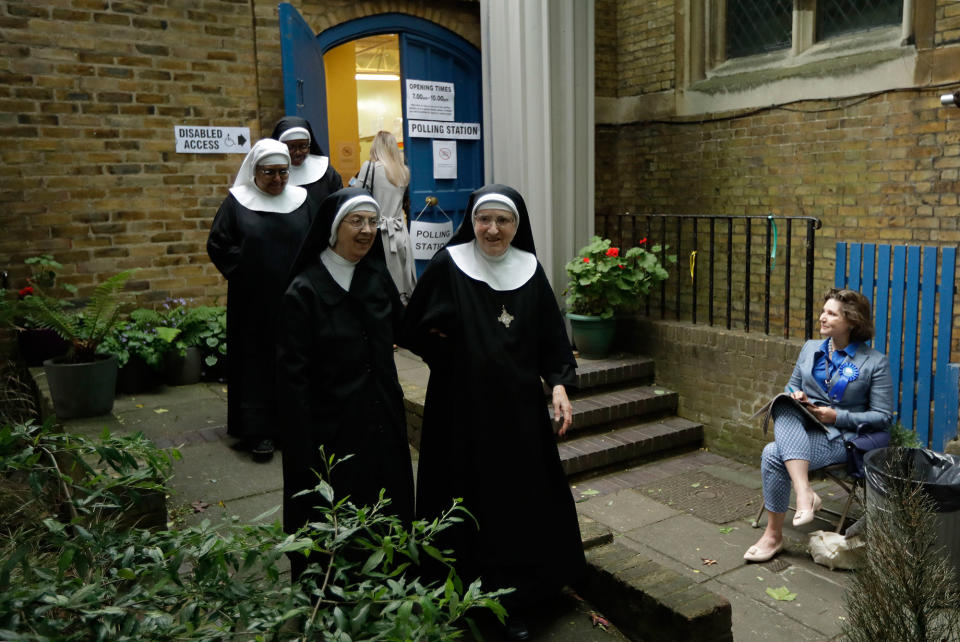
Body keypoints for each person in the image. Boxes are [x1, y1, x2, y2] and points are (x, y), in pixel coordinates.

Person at [399, 184, 584, 641]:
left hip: (519, 413)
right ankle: (459, 594)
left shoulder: (530, 269)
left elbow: (550, 337)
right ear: (472, 222)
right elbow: (413, 327)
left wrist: (559, 383)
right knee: (466, 497)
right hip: (460, 411)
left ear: (516, 226)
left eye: (503, 221)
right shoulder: (449, 264)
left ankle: (520, 597)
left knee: (518, 501)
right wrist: (450, 359)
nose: (493, 229)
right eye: (485, 220)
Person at [277, 187, 414, 582]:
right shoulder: (304, 291)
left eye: (373, 222)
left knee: (386, 497)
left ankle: (389, 576)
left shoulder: (375, 274)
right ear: (335, 227)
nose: (368, 230)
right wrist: (300, 439)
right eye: (358, 221)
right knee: (339, 503)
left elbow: (408, 329)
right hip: (329, 426)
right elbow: (291, 379)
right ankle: (334, 584)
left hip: (381, 414)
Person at [744, 288, 894, 562]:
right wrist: (796, 396)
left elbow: (883, 417)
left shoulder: (875, 362)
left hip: (840, 437)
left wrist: (836, 416)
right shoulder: (810, 348)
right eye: (823, 311)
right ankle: (804, 493)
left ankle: (773, 536)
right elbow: (792, 386)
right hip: (803, 427)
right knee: (783, 403)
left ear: (852, 321)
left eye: (831, 313)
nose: (822, 317)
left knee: (771, 455)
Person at [207, 139, 314, 462]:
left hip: (296, 299)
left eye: (284, 172)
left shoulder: (302, 201)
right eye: (271, 173)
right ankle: (260, 431)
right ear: (255, 171)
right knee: (257, 364)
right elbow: (219, 244)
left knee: (296, 361)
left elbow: (315, 243)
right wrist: (251, 269)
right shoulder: (237, 203)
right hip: (253, 302)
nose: (279, 179)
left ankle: (294, 425)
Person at [356, 131, 416, 304]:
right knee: (402, 287)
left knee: (382, 285)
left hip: (380, 234)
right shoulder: (403, 172)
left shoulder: (370, 167)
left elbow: (356, 197)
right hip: (400, 233)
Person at [270, 116, 343, 207]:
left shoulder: (326, 172)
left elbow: (339, 204)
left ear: (310, 145)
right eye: (291, 147)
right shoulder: (270, 174)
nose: (298, 152)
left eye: (303, 146)